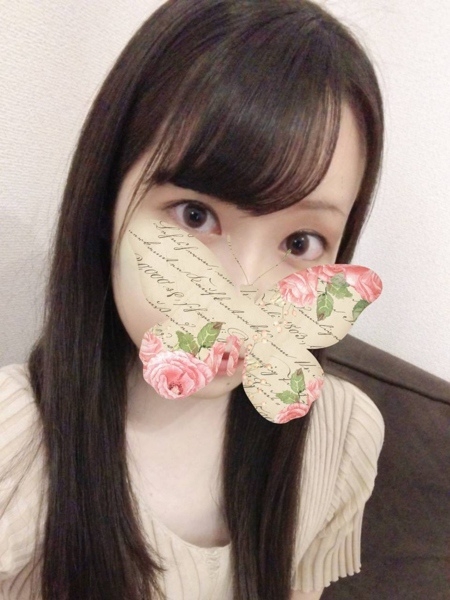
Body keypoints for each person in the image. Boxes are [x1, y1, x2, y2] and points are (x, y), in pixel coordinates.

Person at [0, 1, 385, 599]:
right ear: (107, 204)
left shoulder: (341, 437)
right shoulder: (16, 447)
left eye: (300, 242)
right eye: (196, 215)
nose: (245, 290)